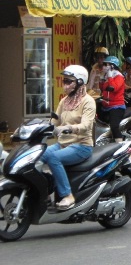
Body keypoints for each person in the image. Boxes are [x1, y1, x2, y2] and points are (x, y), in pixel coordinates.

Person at [41, 65, 95, 210]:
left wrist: (69, 128)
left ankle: (67, 196)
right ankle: (44, 193)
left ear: (79, 82)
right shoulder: (64, 101)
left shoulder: (88, 101)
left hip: (81, 146)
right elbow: (54, 121)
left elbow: (86, 125)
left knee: (54, 158)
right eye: (64, 81)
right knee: (37, 156)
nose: (64, 85)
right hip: (62, 144)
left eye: (68, 81)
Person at [98, 56, 125, 143]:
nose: (104, 66)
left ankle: (120, 146)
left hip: (116, 106)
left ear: (112, 66)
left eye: (106, 64)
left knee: (114, 126)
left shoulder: (119, 76)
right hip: (106, 105)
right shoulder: (107, 76)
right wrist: (102, 79)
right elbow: (103, 89)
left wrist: (109, 77)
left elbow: (114, 88)